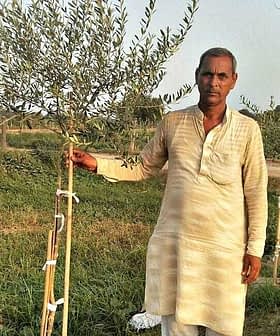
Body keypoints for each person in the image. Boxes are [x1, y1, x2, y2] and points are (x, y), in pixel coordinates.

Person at [69, 47, 268, 336]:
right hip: (178, 248)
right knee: (176, 327)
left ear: (233, 80)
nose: (214, 82)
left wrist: (255, 250)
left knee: (223, 328)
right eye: (208, 74)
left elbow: (256, 192)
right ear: (197, 77)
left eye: (222, 76)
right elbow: (142, 167)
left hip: (225, 252)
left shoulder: (248, 130)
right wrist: (96, 163)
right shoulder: (173, 122)